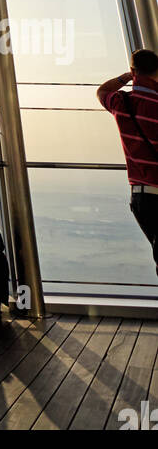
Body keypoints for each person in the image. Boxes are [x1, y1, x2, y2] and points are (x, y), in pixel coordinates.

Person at [97, 47, 158, 278]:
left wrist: (125, 77)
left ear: (134, 71)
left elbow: (102, 90)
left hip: (142, 197)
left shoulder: (123, 102)